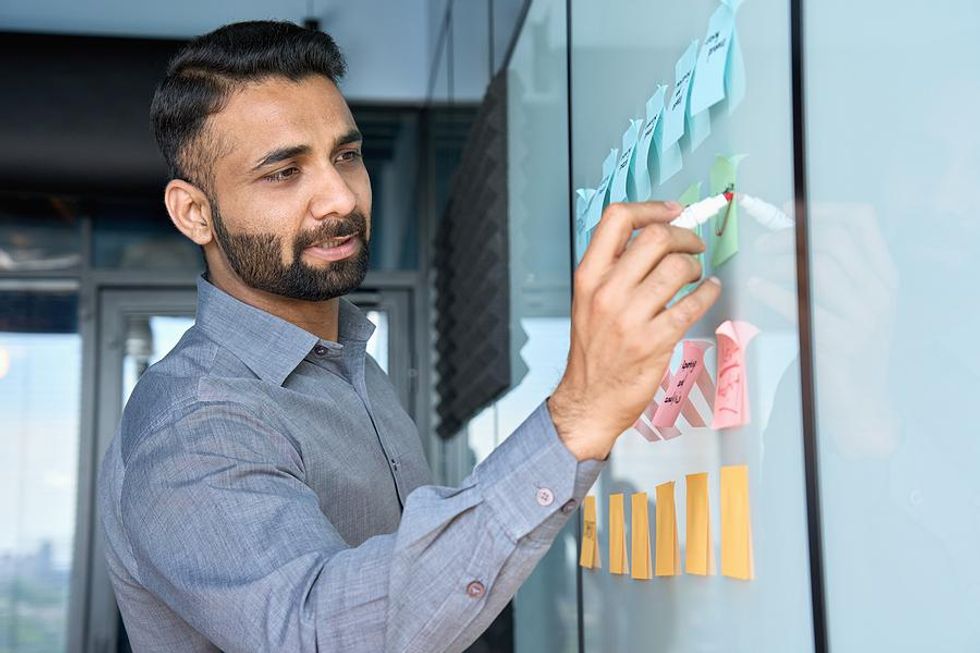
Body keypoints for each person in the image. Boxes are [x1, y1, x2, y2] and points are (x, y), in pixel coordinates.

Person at [98, 20, 720, 652]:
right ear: (193, 212)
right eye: (283, 173)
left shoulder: (349, 366)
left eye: (346, 156)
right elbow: (322, 636)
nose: (339, 197)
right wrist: (579, 415)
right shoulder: (194, 420)